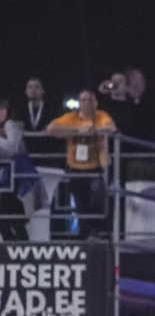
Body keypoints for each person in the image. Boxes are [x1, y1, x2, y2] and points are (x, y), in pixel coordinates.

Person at [47, 89, 115, 236]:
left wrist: (92, 131)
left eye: (89, 100)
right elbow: (51, 128)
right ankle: (85, 236)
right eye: (82, 100)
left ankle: (98, 230)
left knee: (97, 197)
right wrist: (76, 131)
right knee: (80, 203)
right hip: (76, 168)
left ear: (94, 102)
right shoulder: (72, 117)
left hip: (95, 167)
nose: (86, 103)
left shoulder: (101, 115)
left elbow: (110, 129)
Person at [0, 99, 28, 241]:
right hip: (5, 175)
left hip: (15, 173)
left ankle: (20, 245)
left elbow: (13, 148)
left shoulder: (10, 125)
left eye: (3, 109)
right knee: (7, 214)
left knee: (9, 211)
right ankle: (14, 245)